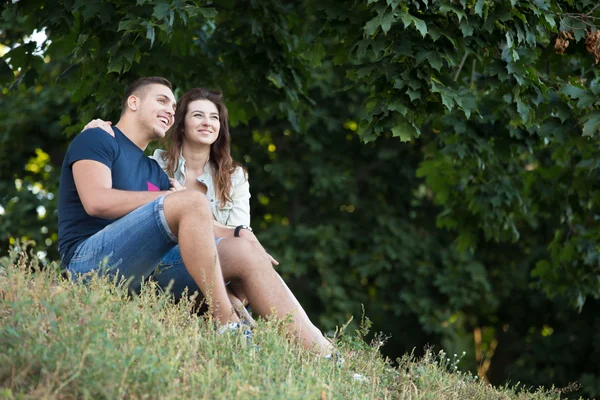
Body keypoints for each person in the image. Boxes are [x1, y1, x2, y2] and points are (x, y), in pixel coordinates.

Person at [63, 78, 332, 353]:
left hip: (143, 276)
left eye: (173, 105)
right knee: (191, 200)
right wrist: (175, 199)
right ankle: (227, 324)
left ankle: (326, 356)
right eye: (161, 100)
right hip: (89, 265)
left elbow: (195, 220)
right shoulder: (98, 138)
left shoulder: (155, 172)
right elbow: (96, 202)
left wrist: (244, 238)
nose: (170, 109)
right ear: (133, 102)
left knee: (244, 251)